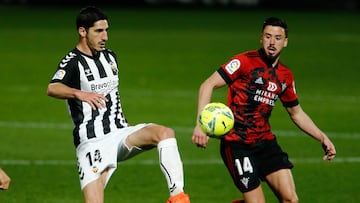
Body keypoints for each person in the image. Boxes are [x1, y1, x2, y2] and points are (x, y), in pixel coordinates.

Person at [47, 6, 190, 203]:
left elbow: (113, 95)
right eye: (98, 31)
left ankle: (178, 197)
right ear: (82, 31)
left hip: (120, 133)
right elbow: (53, 88)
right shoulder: (72, 62)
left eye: (106, 30)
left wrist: (123, 120)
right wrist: (79, 93)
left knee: (164, 133)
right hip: (92, 142)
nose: (104, 36)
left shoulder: (110, 57)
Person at [191, 17, 336, 203]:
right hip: (237, 145)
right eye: (268, 36)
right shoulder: (243, 62)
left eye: (277, 38)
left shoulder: (285, 76)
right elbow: (207, 85)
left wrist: (322, 137)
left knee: (291, 199)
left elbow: (296, 113)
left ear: (285, 42)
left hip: (265, 143)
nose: (272, 42)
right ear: (261, 38)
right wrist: (200, 125)